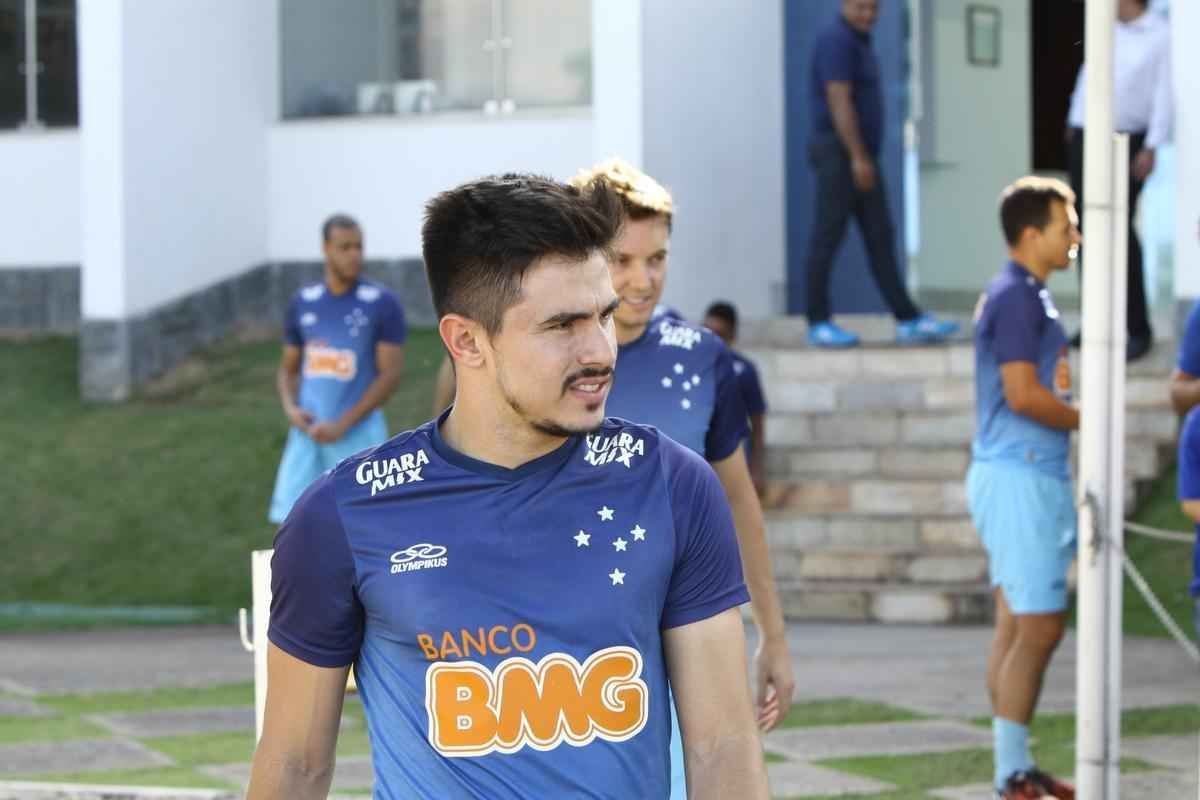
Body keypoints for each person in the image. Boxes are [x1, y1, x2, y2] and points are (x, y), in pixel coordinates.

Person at [247, 174, 770, 799]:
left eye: (604, 316)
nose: (601, 352)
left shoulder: (673, 487)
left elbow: (723, 749)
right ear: (466, 340)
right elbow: (294, 767)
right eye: (563, 325)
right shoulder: (341, 516)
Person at [570, 158, 794, 798]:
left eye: (658, 259)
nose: (642, 281)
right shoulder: (544, 355)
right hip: (568, 646)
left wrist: (772, 635)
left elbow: (738, 502)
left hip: (685, 635)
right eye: (622, 260)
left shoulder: (701, 358)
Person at [967, 176, 1081, 800]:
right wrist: (1091, 418)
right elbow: (1022, 394)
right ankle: (1010, 773)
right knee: (1039, 627)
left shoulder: (1026, 293)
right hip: (1020, 472)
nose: (1076, 237)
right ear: (1032, 233)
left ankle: (1013, 767)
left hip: (1020, 472)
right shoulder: (1017, 296)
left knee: (1016, 626)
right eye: (1067, 226)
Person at [804, 0, 958, 348]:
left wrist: (863, 158)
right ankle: (818, 322)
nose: (869, 15)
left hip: (860, 156)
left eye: (874, 8)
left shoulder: (860, 41)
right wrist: (857, 157)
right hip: (842, 154)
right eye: (861, 7)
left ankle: (908, 318)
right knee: (827, 235)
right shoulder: (836, 40)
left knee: (880, 236)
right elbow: (839, 99)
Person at [267, 214, 406, 525]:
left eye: (358, 246)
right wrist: (291, 409)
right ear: (326, 249)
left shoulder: (382, 304)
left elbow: (390, 376)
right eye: (345, 247)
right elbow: (289, 370)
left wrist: (342, 424)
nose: (354, 255)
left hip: (359, 438)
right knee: (294, 528)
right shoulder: (303, 302)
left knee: (365, 527)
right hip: (308, 437)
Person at [1065, 0, 1172, 362]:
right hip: (1087, 135)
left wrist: (1153, 146)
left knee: (1120, 231)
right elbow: (1089, 75)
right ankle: (1095, 321)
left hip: (1130, 141)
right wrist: (1074, 119)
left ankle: (1137, 328)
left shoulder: (1160, 34)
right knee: (1083, 229)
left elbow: (1164, 93)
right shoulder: (1105, 27)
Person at [703, 301, 769, 496]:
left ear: (732, 336)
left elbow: (757, 420)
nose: (712, 340)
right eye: (707, 332)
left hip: (732, 452)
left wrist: (757, 468)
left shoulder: (743, 370)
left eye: (719, 335)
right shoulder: (688, 366)